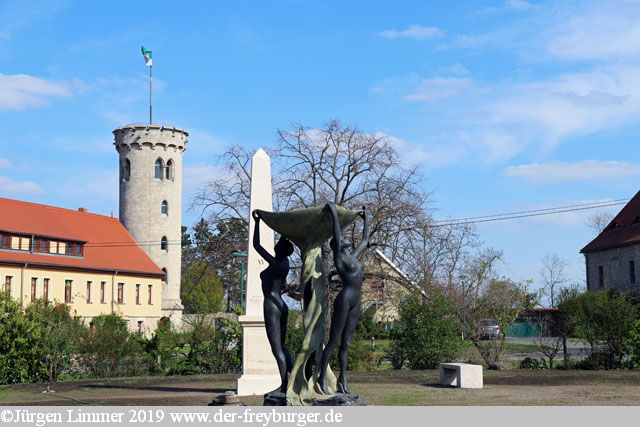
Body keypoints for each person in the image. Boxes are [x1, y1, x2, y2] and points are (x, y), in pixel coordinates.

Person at [317, 203, 369, 394]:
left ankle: (343, 379)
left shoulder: (353, 256)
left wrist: (366, 219)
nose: (347, 238)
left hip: (356, 299)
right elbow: (337, 236)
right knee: (334, 340)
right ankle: (322, 377)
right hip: (345, 298)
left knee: (346, 343)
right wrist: (334, 215)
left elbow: (365, 239)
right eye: (343, 238)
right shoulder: (340, 257)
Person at [252, 209, 295, 393]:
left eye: (278, 244)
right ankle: (294, 378)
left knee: (276, 348)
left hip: (271, 304)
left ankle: (284, 386)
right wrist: (284, 230)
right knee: (282, 346)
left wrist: (257, 223)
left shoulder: (277, 263)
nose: (275, 245)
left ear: (280, 249)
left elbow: (257, 246)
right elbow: (283, 285)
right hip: (282, 305)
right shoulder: (285, 263)